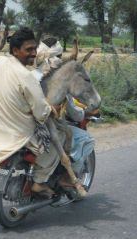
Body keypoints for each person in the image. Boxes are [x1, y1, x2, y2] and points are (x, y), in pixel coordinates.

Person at [0, 28, 63, 198]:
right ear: (15, 50)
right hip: (19, 135)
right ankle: (39, 182)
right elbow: (41, 112)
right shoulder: (27, 77)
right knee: (61, 137)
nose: (34, 54)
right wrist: (53, 109)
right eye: (29, 50)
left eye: (35, 49)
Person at [33, 37, 96, 185]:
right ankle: (66, 178)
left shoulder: (30, 70)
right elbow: (75, 114)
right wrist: (84, 113)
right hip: (43, 124)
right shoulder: (57, 79)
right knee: (85, 139)